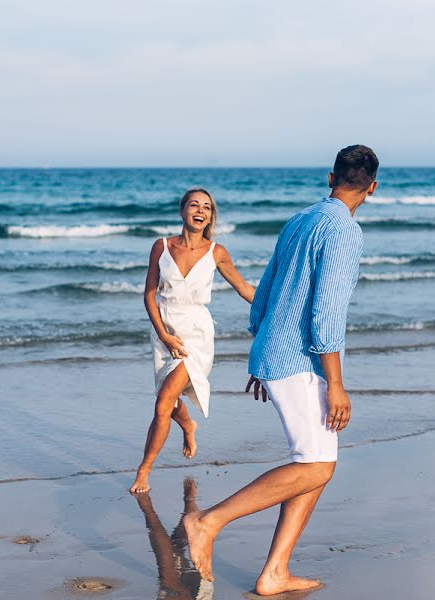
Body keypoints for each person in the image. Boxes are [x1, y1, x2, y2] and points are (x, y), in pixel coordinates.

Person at [183, 145, 378, 595]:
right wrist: (337, 385)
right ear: (372, 187)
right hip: (302, 361)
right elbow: (326, 313)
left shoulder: (299, 220)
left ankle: (274, 573)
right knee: (317, 467)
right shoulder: (344, 231)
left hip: (278, 354)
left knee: (315, 462)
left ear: (330, 179)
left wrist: (263, 348)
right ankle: (207, 522)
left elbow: (269, 288)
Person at [130, 188, 255, 494]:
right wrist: (163, 334)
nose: (201, 211)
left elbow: (243, 287)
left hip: (196, 335)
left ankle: (143, 471)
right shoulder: (160, 247)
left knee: (162, 403)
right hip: (164, 330)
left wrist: (279, 308)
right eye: (195, 205)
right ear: (182, 210)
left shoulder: (217, 252)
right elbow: (149, 293)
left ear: (211, 216)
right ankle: (188, 425)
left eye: (207, 208)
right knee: (170, 400)